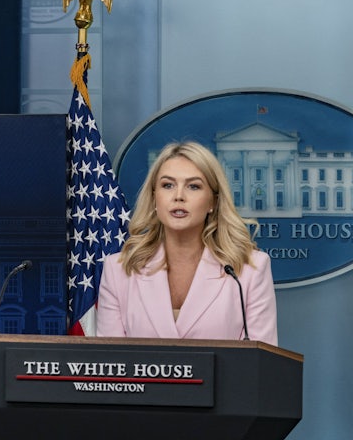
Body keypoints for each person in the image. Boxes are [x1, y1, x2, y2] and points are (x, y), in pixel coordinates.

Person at [96, 141, 278, 345]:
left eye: (193, 186)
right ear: (154, 197)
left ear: (213, 202)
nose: (179, 196)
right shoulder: (118, 270)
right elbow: (110, 366)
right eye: (168, 185)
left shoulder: (249, 269)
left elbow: (261, 366)